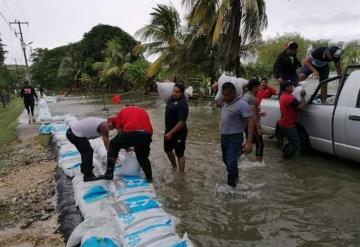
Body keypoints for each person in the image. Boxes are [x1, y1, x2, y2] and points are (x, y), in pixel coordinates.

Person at [105, 106, 153, 182]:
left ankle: (109, 174)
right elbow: (148, 131)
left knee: (113, 144)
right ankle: (149, 178)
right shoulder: (142, 110)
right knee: (142, 157)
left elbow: (121, 133)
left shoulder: (121, 112)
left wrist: (126, 148)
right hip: (146, 134)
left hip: (131, 131)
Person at [220, 82, 254, 187]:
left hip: (235, 137)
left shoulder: (242, 104)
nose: (224, 97)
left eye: (227, 95)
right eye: (223, 95)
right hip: (224, 137)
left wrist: (249, 142)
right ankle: (234, 177)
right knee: (226, 160)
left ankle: (232, 187)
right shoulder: (225, 102)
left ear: (234, 93)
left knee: (230, 163)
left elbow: (250, 122)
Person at [66, 117, 113, 182]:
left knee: (86, 151)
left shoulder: (104, 123)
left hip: (72, 132)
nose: (113, 129)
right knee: (88, 152)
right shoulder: (104, 126)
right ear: (110, 123)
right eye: (113, 127)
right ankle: (88, 176)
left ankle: (84, 169)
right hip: (73, 134)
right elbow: (107, 143)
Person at [164, 83, 189, 173]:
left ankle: (181, 174)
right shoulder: (170, 100)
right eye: (174, 91)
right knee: (167, 150)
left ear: (182, 93)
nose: (174, 93)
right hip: (168, 130)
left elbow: (182, 122)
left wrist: (171, 133)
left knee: (180, 153)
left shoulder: (183, 104)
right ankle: (174, 166)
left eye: (177, 92)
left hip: (179, 133)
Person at [278, 81, 306, 159]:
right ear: (287, 88)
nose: (293, 88)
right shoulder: (290, 98)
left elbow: (294, 105)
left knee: (292, 141)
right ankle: (286, 158)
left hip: (283, 123)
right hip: (288, 124)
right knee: (296, 143)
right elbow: (302, 108)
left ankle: (285, 153)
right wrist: (303, 96)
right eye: (291, 86)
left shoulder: (282, 96)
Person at [243, 79, 264, 162]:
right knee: (260, 145)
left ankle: (237, 157)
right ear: (254, 87)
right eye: (259, 86)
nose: (259, 88)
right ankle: (259, 164)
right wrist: (258, 127)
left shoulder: (245, 95)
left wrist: (259, 113)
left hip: (245, 124)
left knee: (250, 142)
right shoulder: (252, 99)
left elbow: (251, 112)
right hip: (251, 125)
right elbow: (253, 115)